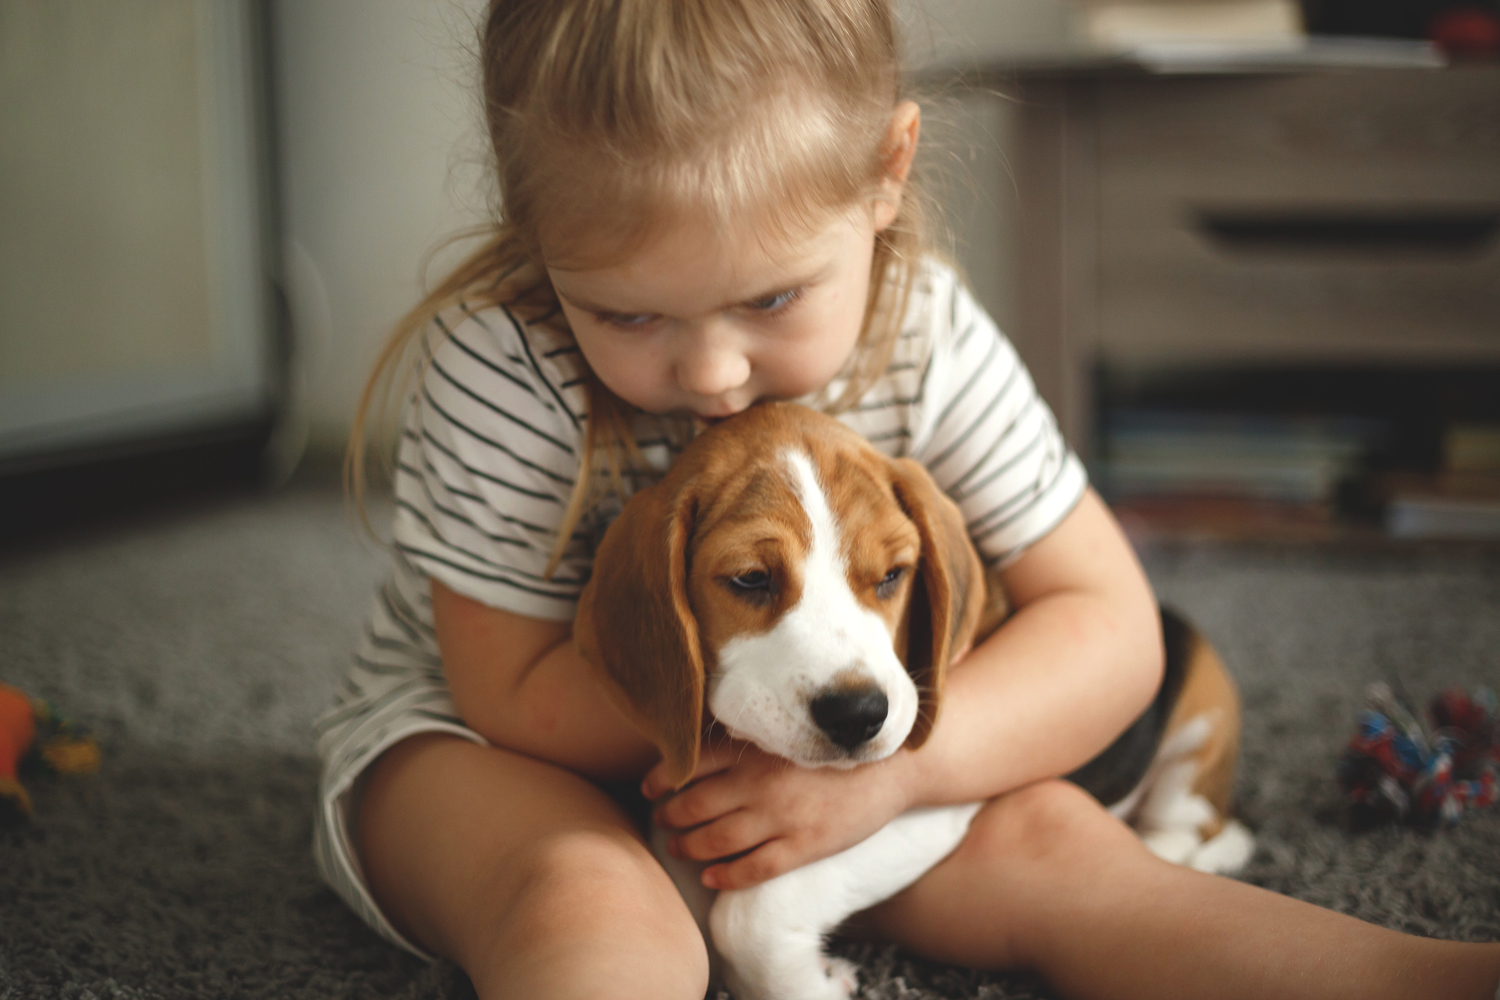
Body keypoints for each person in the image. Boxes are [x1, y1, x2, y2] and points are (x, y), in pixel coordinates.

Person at [314, 2, 1500, 998]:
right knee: (587, 896)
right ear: (537, 235)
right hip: (507, 750)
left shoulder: (925, 333)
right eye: (627, 313)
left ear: (887, 175)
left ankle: (1420, 977)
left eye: (772, 299)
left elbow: (1111, 625)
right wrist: (744, 733)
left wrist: (898, 771)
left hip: (836, 760)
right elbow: (513, 690)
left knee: (1062, 848)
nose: (713, 374)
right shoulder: (506, 364)